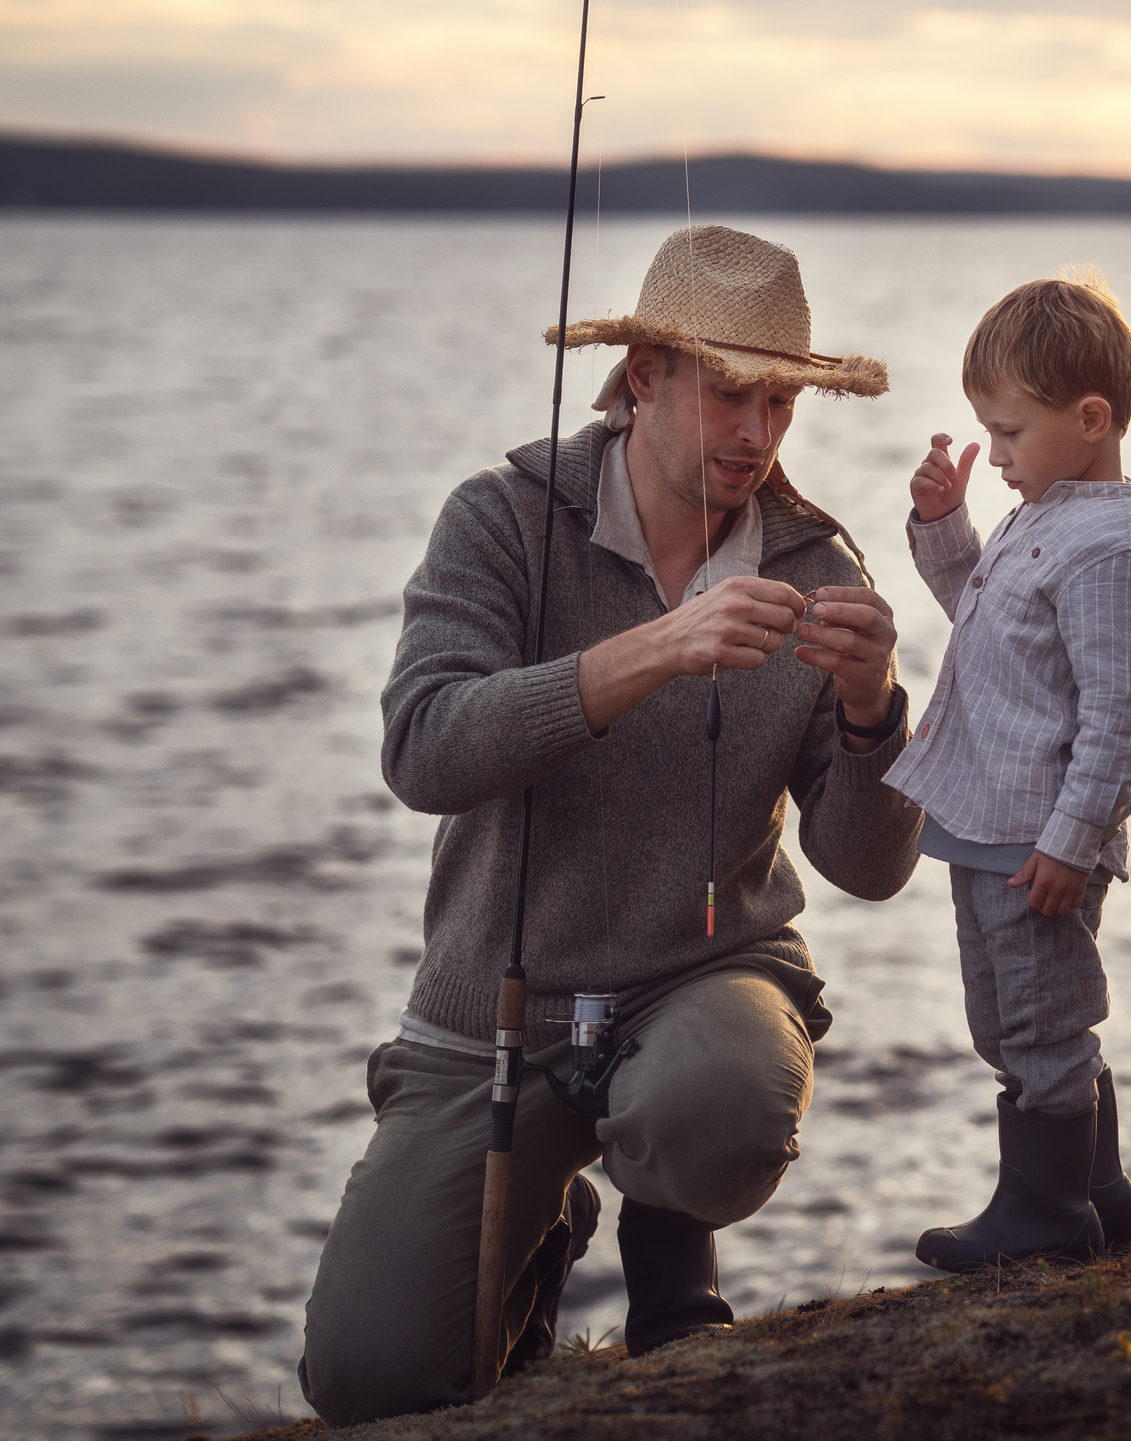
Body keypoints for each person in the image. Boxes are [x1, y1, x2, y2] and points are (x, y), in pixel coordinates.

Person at [300, 225, 922, 1424]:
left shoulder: (816, 562)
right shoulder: (499, 518)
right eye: (730, 394)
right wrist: (649, 652)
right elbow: (421, 747)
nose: (759, 433)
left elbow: (867, 866)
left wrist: (872, 711)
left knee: (717, 1105)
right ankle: (547, 1227)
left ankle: (667, 1246)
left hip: (709, 978)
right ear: (644, 378)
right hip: (497, 1013)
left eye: (783, 402)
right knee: (373, 1383)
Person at [890, 272, 1131, 1271]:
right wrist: (944, 526)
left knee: (1041, 1022)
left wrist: (1071, 840)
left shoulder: (1103, 549)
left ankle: (1046, 1216)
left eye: (1008, 432)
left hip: (1035, 837)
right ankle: (1097, 1195)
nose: (997, 452)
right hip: (992, 818)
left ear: (1091, 418)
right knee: (1012, 1016)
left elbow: (1119, 713)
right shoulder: (1044, 513)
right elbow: (987, 617)